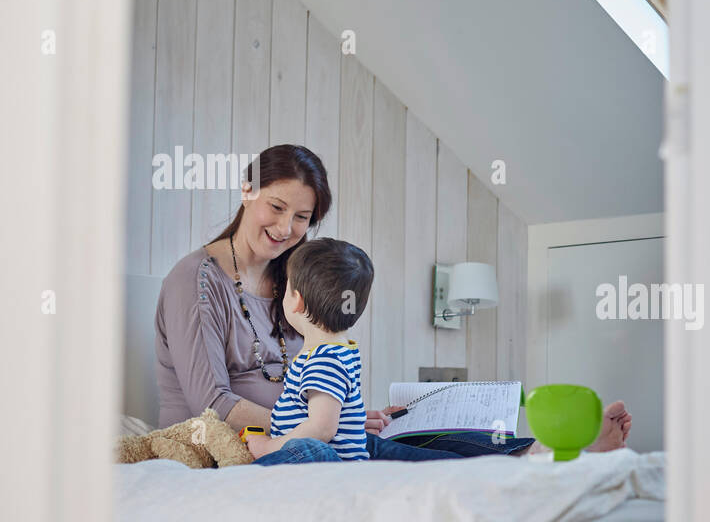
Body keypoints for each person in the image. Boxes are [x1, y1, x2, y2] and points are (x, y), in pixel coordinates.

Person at [155, 144, 632, 462]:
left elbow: (305, 381)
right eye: (276, 207)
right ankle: (541, 459)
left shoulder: (291, 283)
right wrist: (311, 425)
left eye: (302, 218)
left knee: (412, 434)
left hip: (302, 429)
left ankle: (546, 449)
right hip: (235, 445)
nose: (287, 228)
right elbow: (211, 404)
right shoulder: (195, 283)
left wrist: (337, 411)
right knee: (390, 453)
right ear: (247, 190)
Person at [244, 238, 372, 464]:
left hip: (328, 465)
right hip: (326, 461)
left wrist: (268, 447)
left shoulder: (325, 360)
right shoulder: (336, 350)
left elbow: (322, 429)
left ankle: (245, 478)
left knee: (305, 448)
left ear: (297, 301)